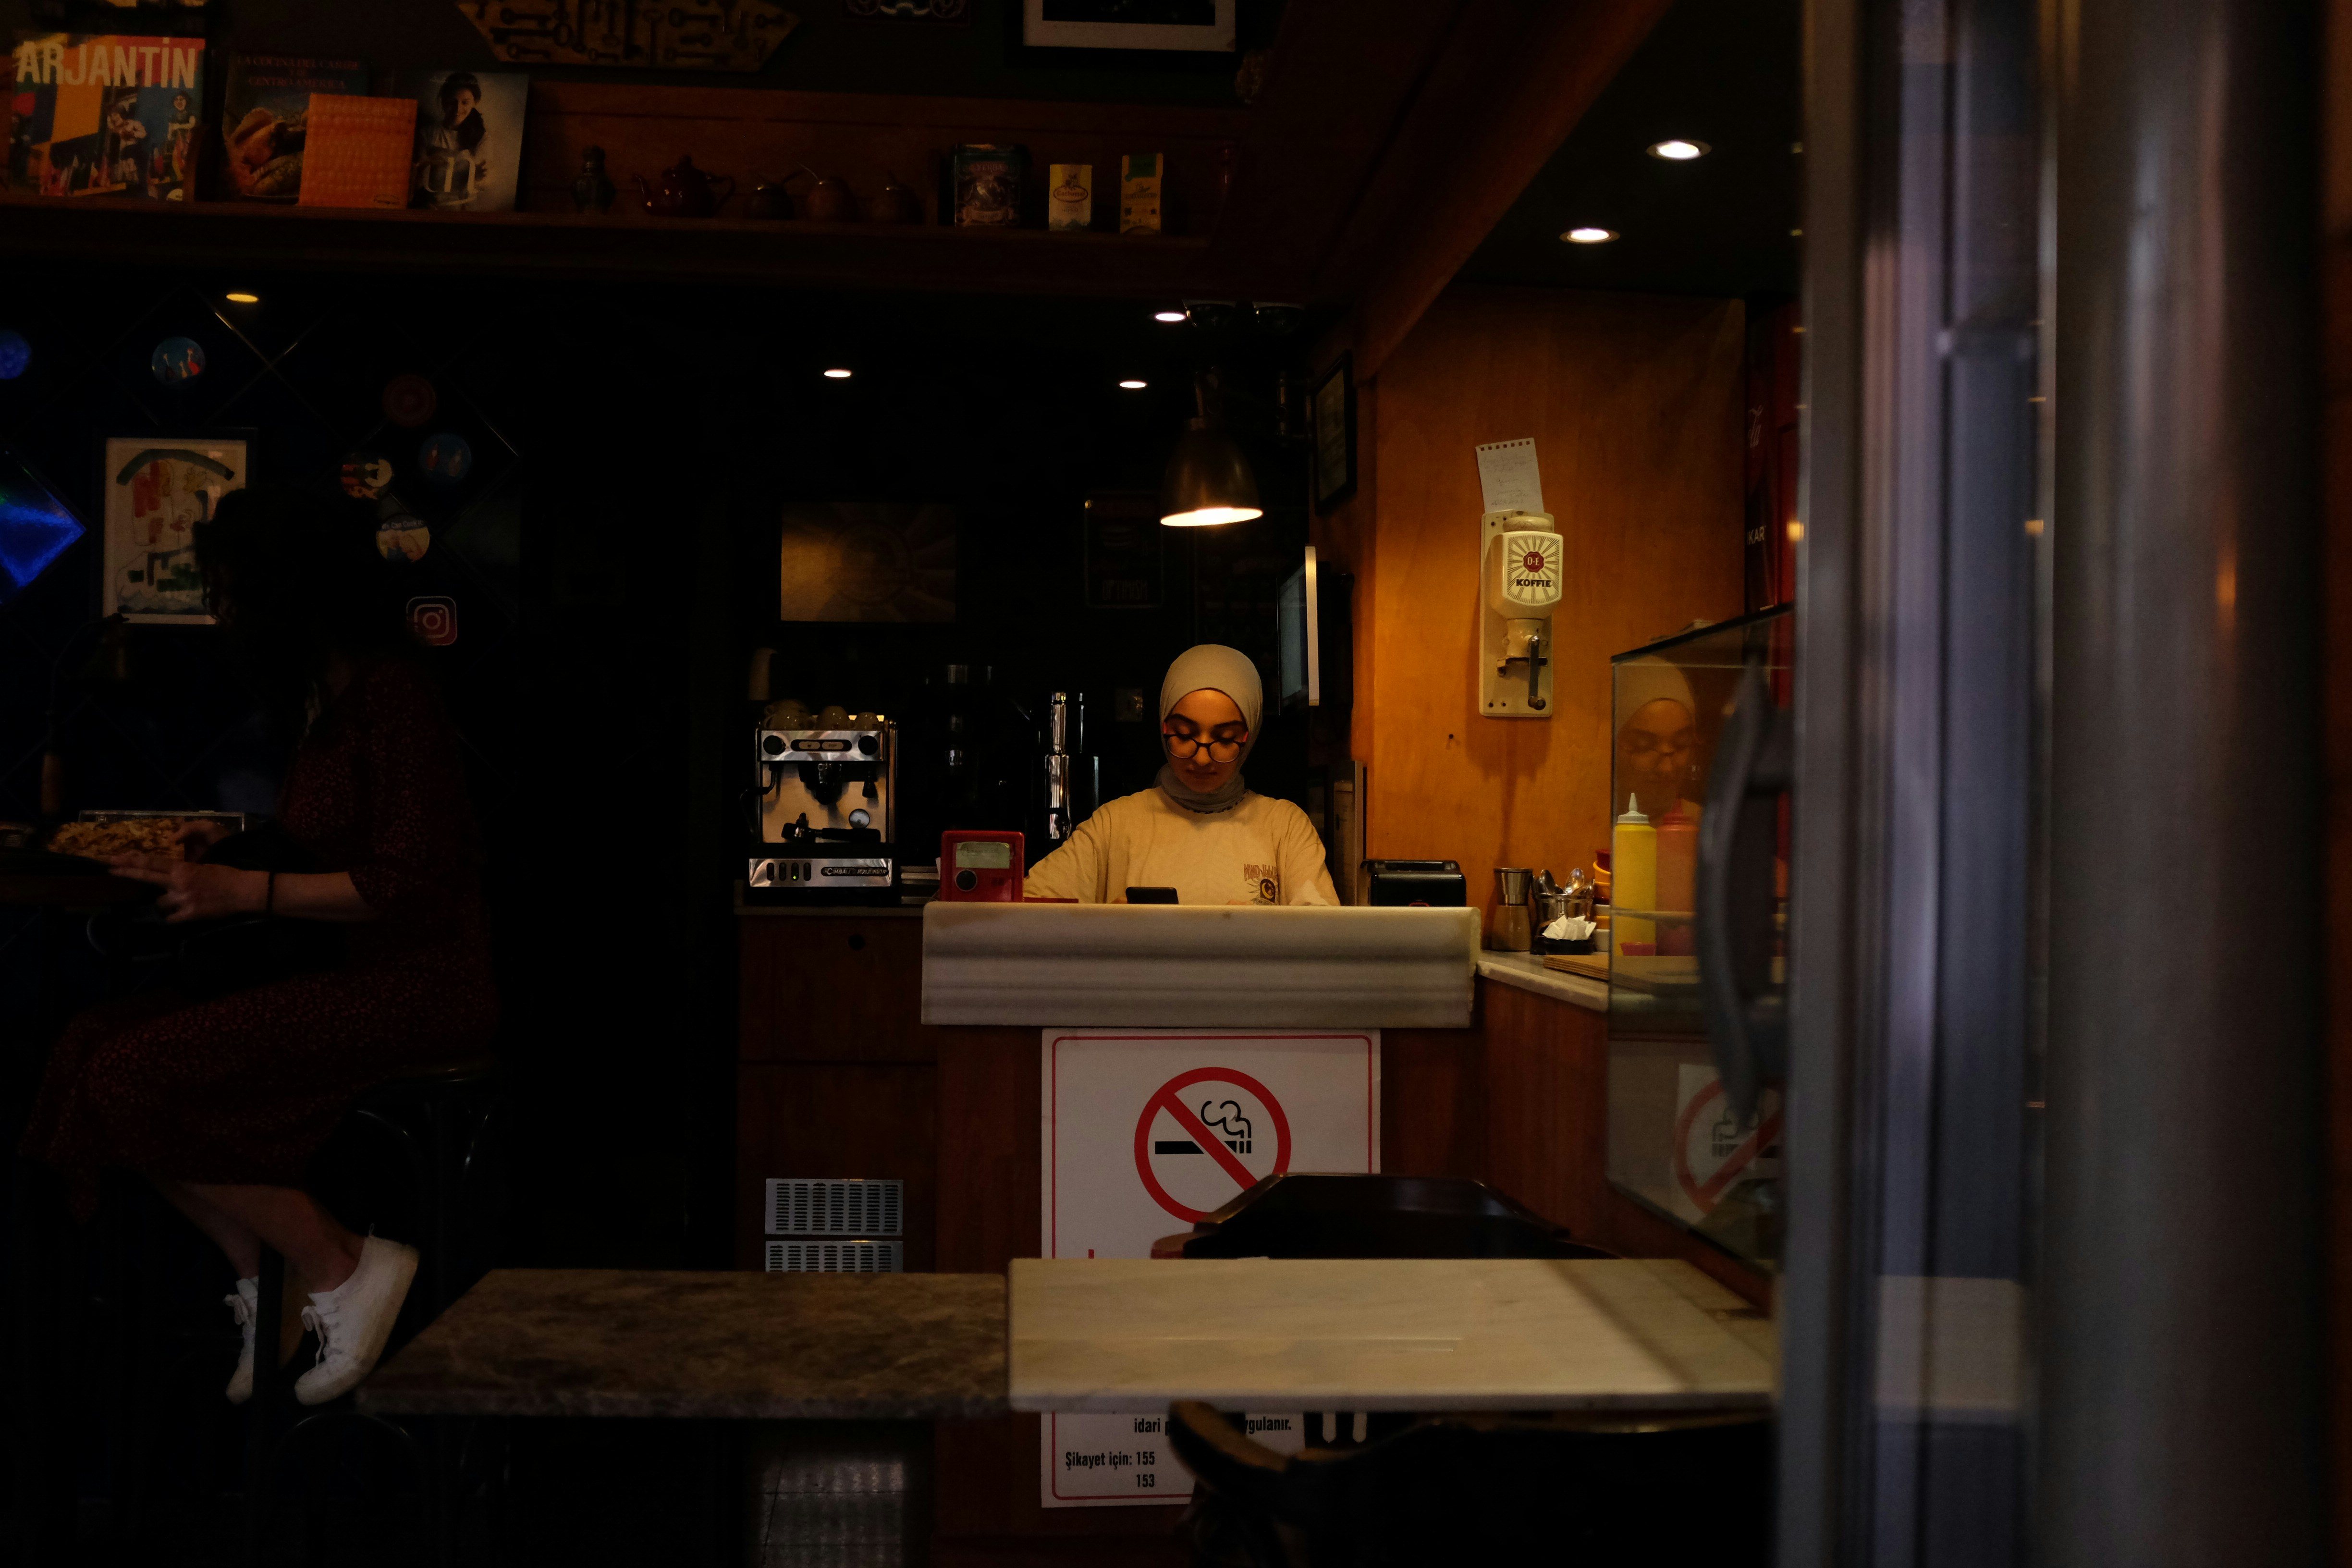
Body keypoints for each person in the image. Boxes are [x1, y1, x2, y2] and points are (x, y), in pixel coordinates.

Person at [21, 488, 499, 1407]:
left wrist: (243, 888)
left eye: (234, 591)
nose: (223, 612)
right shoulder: (328, 693)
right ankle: (267, 1279)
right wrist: (229, 853)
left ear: (290, 594)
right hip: (336, 971)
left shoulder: (392, 695)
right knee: (87, 1051)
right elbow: (330, 846)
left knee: (129, 1076)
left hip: (417, 983)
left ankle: (341, 1262)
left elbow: (404, 882)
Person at [1024, 645, 1338, 906]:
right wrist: (1104, 927)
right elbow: (1025, 911)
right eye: (1184, 735)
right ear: (1163, 729)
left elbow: (1326, 940)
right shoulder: (1114, 826)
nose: (1202, 758)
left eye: (1226, 739)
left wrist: (1262, 932)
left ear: (1250, 736)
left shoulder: (1284, 828)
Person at [1615, 657, 1706, 822]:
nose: (1667, 769)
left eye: (1681, 746)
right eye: (1644, 747)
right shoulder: (1582, 826)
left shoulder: (1705, 826)